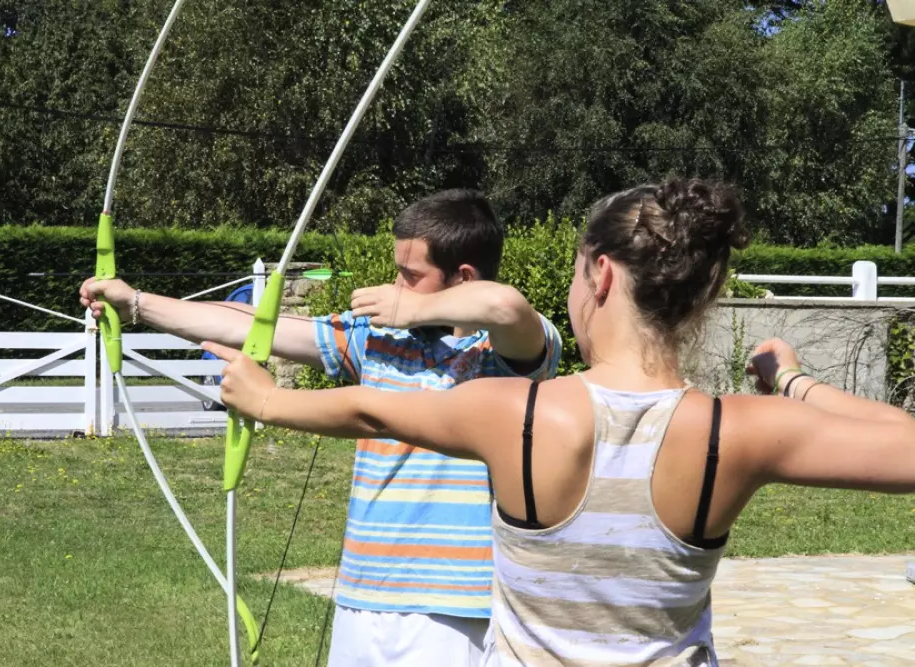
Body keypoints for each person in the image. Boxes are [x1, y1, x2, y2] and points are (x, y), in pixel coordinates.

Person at [204, 178, 915, 666]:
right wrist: (791, 381)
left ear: (600, 276)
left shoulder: (517, 411)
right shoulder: (738, 431)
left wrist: (267, 400)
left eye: (576, 274)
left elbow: (369, 407)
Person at [80, 189, 563, 667]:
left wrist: (412, 309)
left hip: (453, 606)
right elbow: (253, 325)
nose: (395, 286)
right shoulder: (380, 338)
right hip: (362, 591)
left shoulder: (503, 357)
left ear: (464, 278)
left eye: (411, 276)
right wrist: (136, 303)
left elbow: (506, 307)